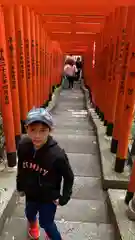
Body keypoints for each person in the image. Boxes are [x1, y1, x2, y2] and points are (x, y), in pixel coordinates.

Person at [16, 108, 74, 240]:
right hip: (30, 193)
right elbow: (21, 167)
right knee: (29, 213)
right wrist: (20, 185)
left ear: (50, 130)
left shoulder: (57, 155)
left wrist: (64, 197)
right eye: (33, 130)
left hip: (48, 197)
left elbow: (69, 176)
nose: (37, 136)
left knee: (47, 222)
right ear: (26, 129)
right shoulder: (24, 146)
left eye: (42, 131)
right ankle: (33, 226)